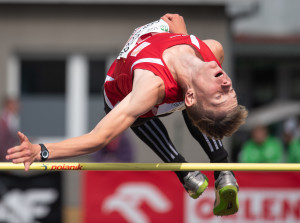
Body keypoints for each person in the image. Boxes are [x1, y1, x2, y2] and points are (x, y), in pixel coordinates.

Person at [6, 14, 248, 216]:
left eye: (219, 95)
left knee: (143, 117)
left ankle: (183, 171)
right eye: (231, 91)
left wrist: (42, 151)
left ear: (191, 96)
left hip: (122, 94)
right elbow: (188, 60)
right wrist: (181, 36)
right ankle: (223, 171)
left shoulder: (150, 87)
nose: (226, 84)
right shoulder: (213, 51)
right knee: (201, 112)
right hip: (174, 85)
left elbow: (98, 138)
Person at [0, 97, 20, 162]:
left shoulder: (10, 117)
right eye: (14, 103)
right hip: (5, 155)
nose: (17, 105)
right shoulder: (8, 118)